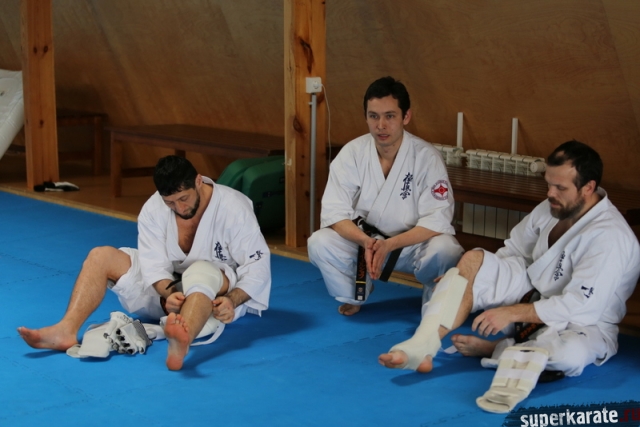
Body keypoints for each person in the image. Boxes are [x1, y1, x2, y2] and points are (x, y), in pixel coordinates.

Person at [378, 140, 640, 413]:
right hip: (534, 293)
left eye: (560, 188)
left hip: (583, 322)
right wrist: (468, 279)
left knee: (569, 355)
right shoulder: (553, 207)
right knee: (473, 260)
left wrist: (511, 313)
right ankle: (424, 343)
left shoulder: (609, 237)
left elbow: (581, 306)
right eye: (548, 184)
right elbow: (514, 250)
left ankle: (499, 349)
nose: (550, 193)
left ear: (588, 187)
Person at [18, 155, 271, 371]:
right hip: (169, 295)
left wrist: (233, 300)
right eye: (170, 202)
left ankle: (182, 341)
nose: (179, 208)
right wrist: (168, 294)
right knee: (100, 256)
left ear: (198, 181)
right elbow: (153, 264)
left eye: (183, 198)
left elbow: (257, 266)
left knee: (200, 271)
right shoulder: (153, 208)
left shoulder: (233, 207)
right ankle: (65, 330)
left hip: (215, 295)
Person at [307, 76, 464, 316]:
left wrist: (389, 244)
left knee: (447, 248)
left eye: (390, 116)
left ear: (406, 117)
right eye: (374, 116)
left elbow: (438, 219)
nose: (381, 125)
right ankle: (355, 292)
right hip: (366, 244)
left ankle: (434, 301)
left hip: (411, 245)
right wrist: (365, 242)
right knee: (319, 242)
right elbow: (335, 213)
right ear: (366, 117)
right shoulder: (352, 153)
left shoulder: (426, 157)